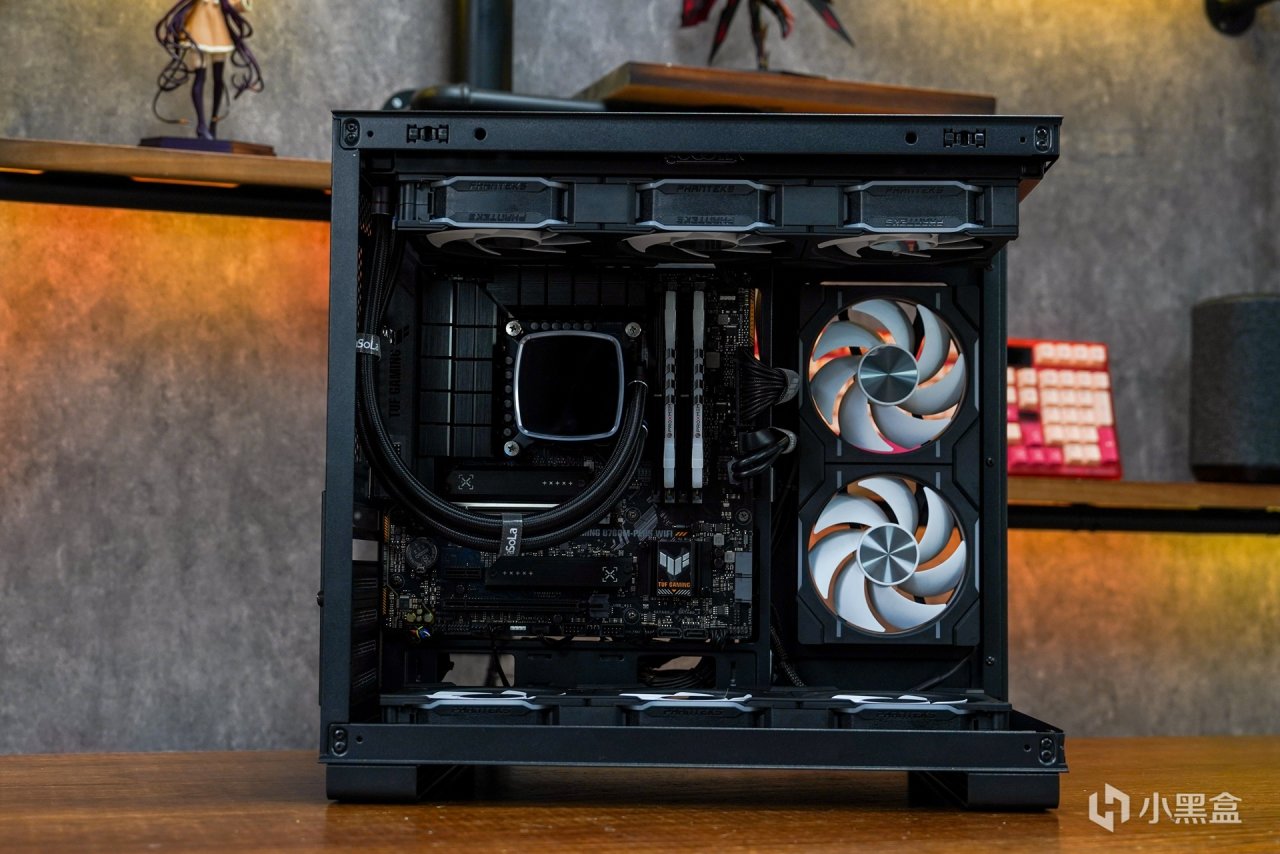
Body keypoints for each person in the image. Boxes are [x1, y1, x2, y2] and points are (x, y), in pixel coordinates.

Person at [154, 0, 264, 140]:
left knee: (218, 79)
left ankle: (214, 122)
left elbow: (235, 5)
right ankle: (202, 124)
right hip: (198, 29)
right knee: (200, 76)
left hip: (218, 31)